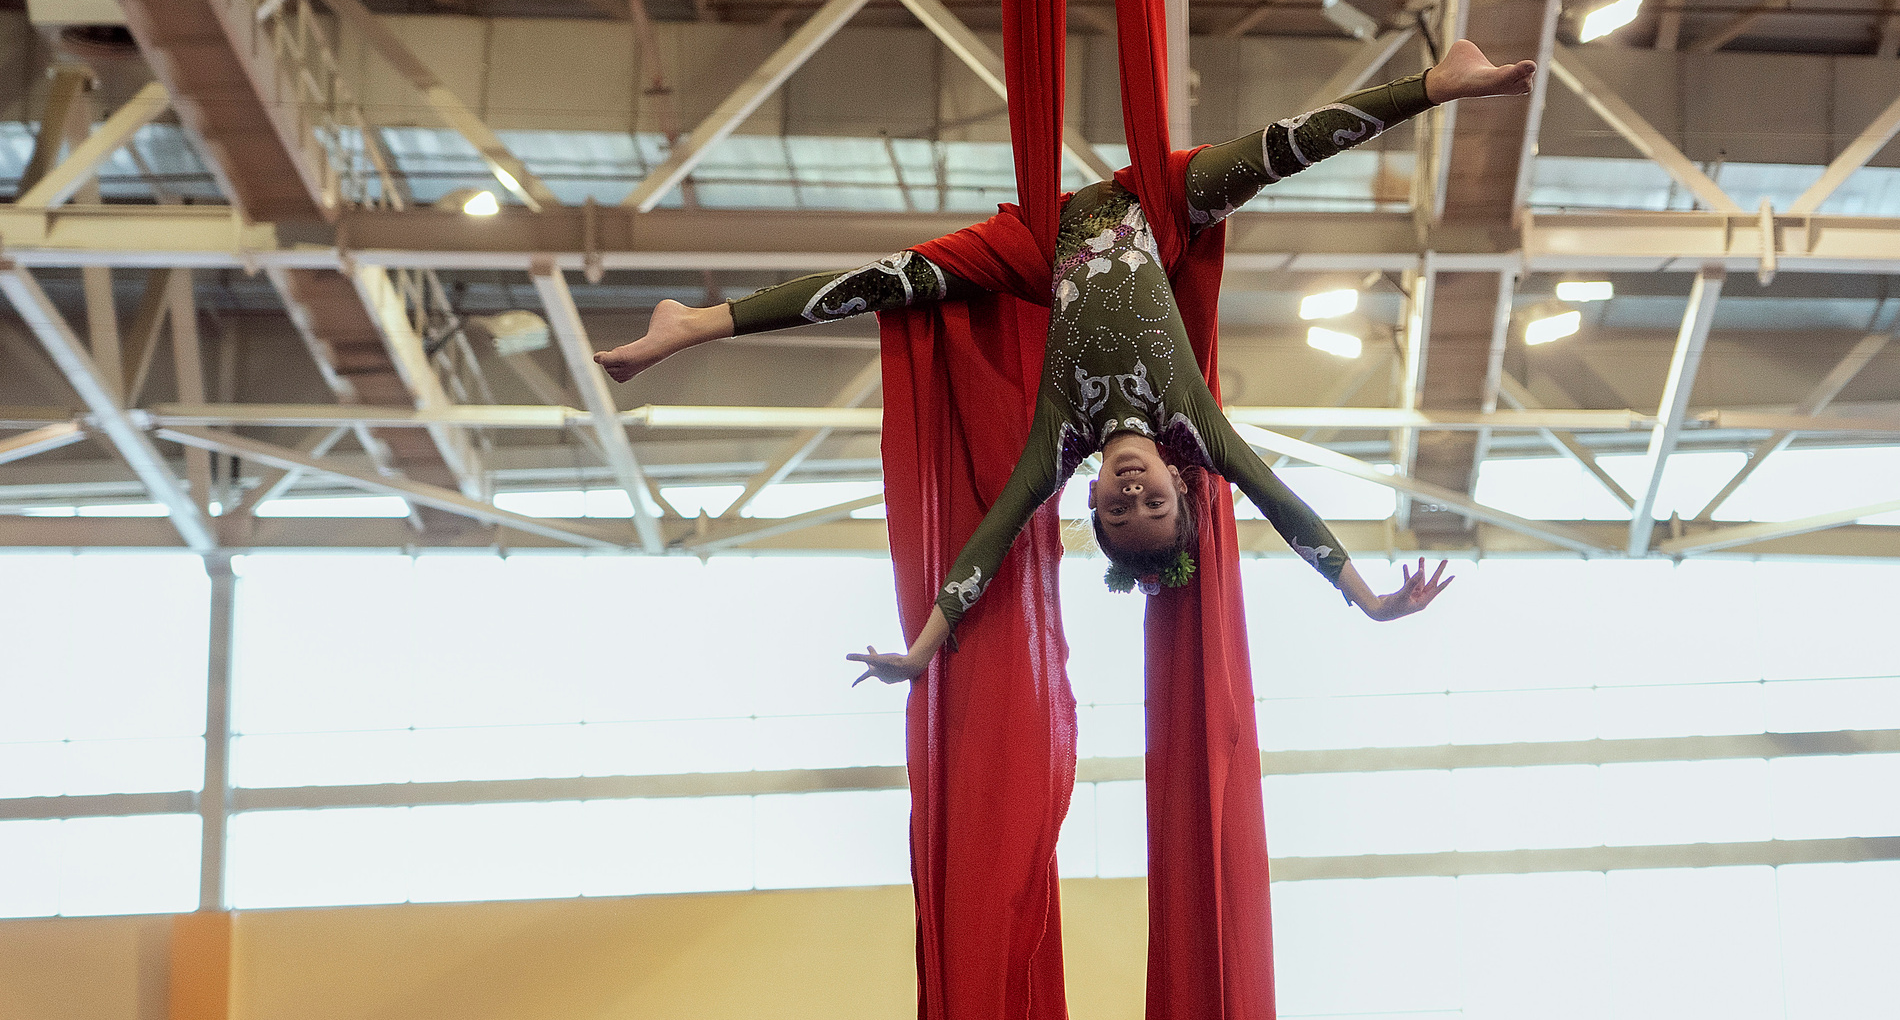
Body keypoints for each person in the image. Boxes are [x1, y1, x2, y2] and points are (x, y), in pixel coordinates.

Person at [598, 39, 1537, 683]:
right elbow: (1285, 505)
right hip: (1150, 209)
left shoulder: (1063, 437)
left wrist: (924, 649)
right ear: (1179, 481)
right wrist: (1365, 597)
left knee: (887, 282)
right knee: (1274, 154)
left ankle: (693, 326)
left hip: (1048, 248)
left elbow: (990, 545)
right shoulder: (1197, 427)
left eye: (1116, 509)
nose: (1132, 493)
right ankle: (1439, 83)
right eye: (1154, 503)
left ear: (1089, 501)